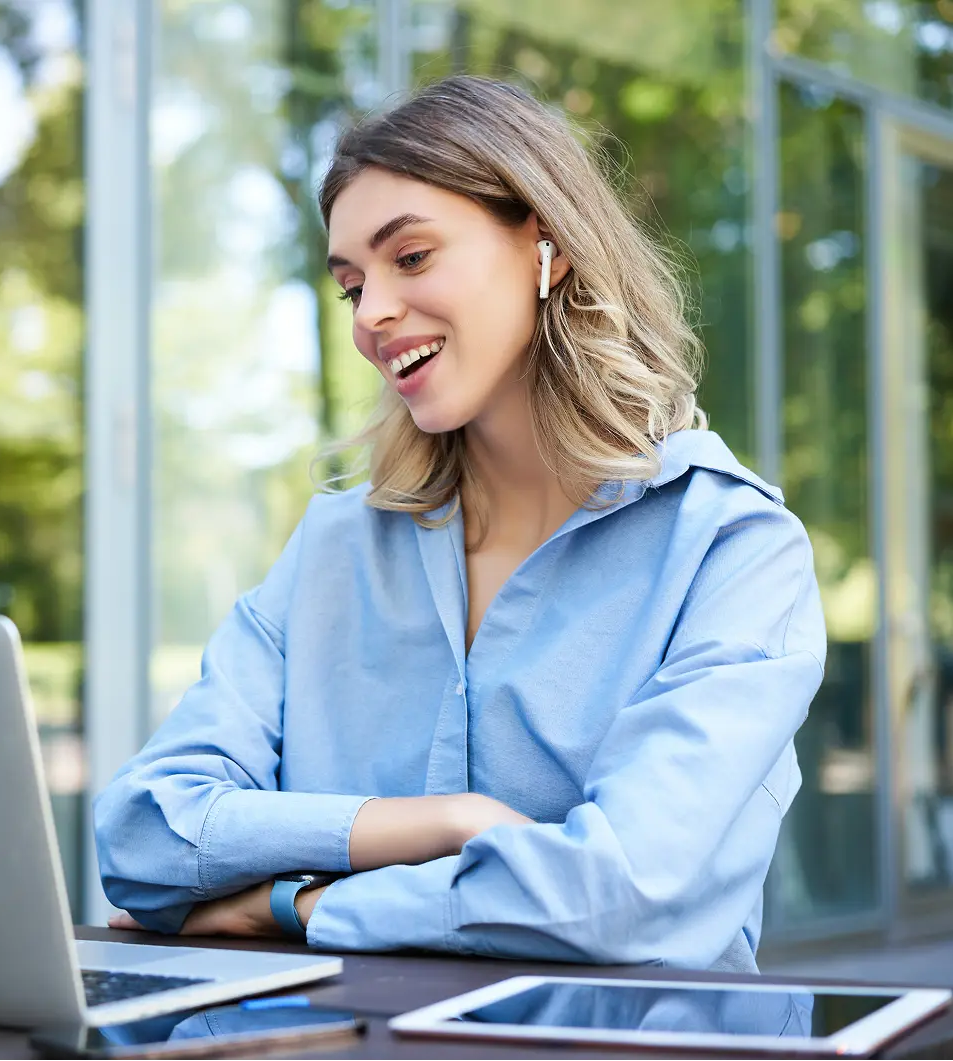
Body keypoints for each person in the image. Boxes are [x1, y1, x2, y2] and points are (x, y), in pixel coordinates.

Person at [93, 75, 824, 972]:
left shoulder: (729, 549)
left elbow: (622, 892)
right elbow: (142, 831)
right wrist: (437, 824)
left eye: (410, 258)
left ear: (543, 243)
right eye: (349, 285)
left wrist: (295, 903)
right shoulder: (333, 546)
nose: (370, 315)